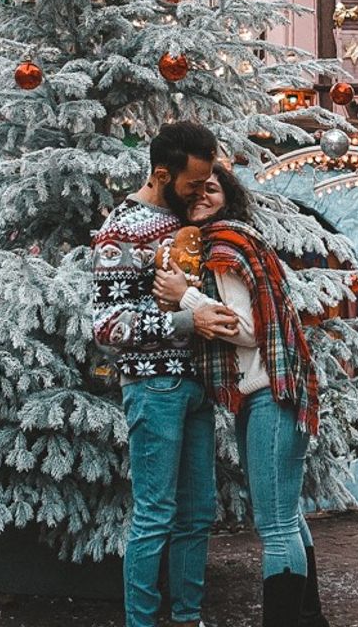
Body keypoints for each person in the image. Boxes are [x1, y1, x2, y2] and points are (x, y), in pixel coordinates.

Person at [154, 163, 329, 627]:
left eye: (210, 189)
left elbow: (248, 329)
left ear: (227, 194)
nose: (200, 197)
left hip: (271, 390)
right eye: (193, 190)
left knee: (274, 527)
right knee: (286, 515)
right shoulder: (224, 242)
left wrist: (185, 296)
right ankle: (309, 618)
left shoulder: (225, 246)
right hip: (266, 392)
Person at [93, 123, 239, 627]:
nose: (203, 192)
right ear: (161, 174)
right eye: (194, 184)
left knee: (198, 515)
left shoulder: (191, 224)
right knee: (155, 516)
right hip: (154, 388)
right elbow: (106, 326)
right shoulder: (122, 229)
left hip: (198, 387)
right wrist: (185, 319)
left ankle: (188, 618)